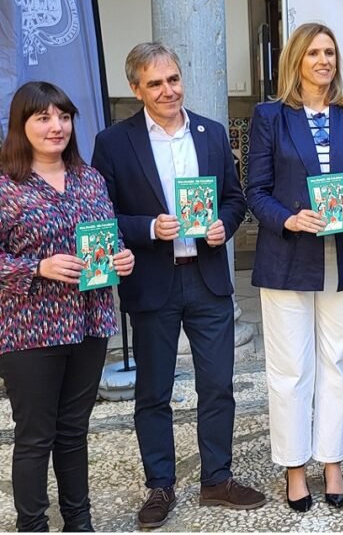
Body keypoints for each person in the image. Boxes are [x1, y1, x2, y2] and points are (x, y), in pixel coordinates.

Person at [92, 43, 266, 528]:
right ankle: (160, 486)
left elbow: (234, 200)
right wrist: (149, 228)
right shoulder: (114, 142)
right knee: (153, 392)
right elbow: (101, 215)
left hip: (208, 278)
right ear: (135, 89)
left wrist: (224, 227)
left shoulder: (210, 134)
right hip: (152, 282)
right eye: (155, 83)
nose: (168, 90)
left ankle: (217, 480)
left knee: (218, 386)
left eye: (173, 79)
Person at [246, 23, 343, 511]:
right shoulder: (270, 117)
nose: (324, 60)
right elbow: (254, 192)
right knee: (289, 369)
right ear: (296, 61)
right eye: (314, 53)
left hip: (342, 258)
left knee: (338, 365)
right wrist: (290, 219)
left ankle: (332, 461)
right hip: (287, 260)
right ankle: (295, 467)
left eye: (330, 52)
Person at [0, 82, 135, 532]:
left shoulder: (89, 178)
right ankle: (32, 525)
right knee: (36, 436)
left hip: (90, 324)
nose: (56, 126)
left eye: (63, 116)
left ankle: (79, 522)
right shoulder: (6, 185)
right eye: (42, 117)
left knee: (75, 430)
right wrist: (37, 266)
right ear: (21, 126)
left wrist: (122, 255)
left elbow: (108, 236)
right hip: (30, 329)